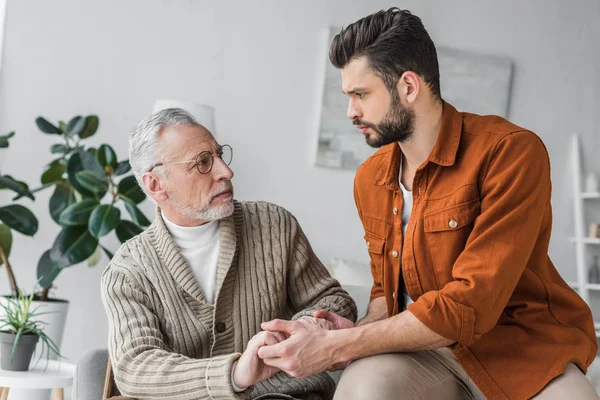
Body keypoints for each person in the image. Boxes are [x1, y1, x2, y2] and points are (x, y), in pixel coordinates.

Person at [258, 8, 599, 400]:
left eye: (361, 95)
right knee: (362, 389)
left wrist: (337, 348)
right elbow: (387, 294)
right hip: (423, 352)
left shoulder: (511, 152)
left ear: (408, 87)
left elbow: (471, 304)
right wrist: (355, 332)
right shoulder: (369, 179)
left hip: (521, 350)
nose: (351, 111)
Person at [100, 108, 357, 400]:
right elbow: (136, 367)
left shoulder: (275, 224)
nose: (226, 171)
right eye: (203, 163)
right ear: (156, 185)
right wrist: (235, 373)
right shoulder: (128, 271)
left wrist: (303, 326)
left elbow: (336, 302)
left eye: (219, 155)